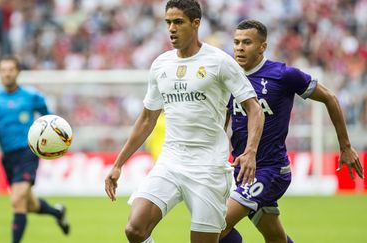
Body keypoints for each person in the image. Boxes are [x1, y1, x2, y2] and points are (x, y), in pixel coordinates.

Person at [104, 1, 264, 243]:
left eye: (178, 22)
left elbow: (255, 109)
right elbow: (147, 118)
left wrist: (251, 151)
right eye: (168, 22)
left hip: (208, 167)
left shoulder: (219, 62)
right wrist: (118, 164)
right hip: (170, 161)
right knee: (135, 229)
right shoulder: (161, 65)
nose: (171, 28)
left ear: (195, 23)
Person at [219, 19, 365, 243]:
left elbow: (330, 98)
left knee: (215, 227)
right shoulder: (229, 78)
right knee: (276, 238)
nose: (239, 47)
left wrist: (345, 146)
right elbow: (222, 123)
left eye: (246, 42)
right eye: (236, 42)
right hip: (243, 172)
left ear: (262, 47)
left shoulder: (282, 75)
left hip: (271, 171)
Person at [0, 56, 70, 243]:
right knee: (29, 204)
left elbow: (50, 119)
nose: (7, 73)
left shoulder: (31, 96)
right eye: (3, 70)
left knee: (17, 200)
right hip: (7, 156)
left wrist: (53, 139)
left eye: (10, 69)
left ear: (18, 72)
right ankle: (57, 212)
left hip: (28, 153)